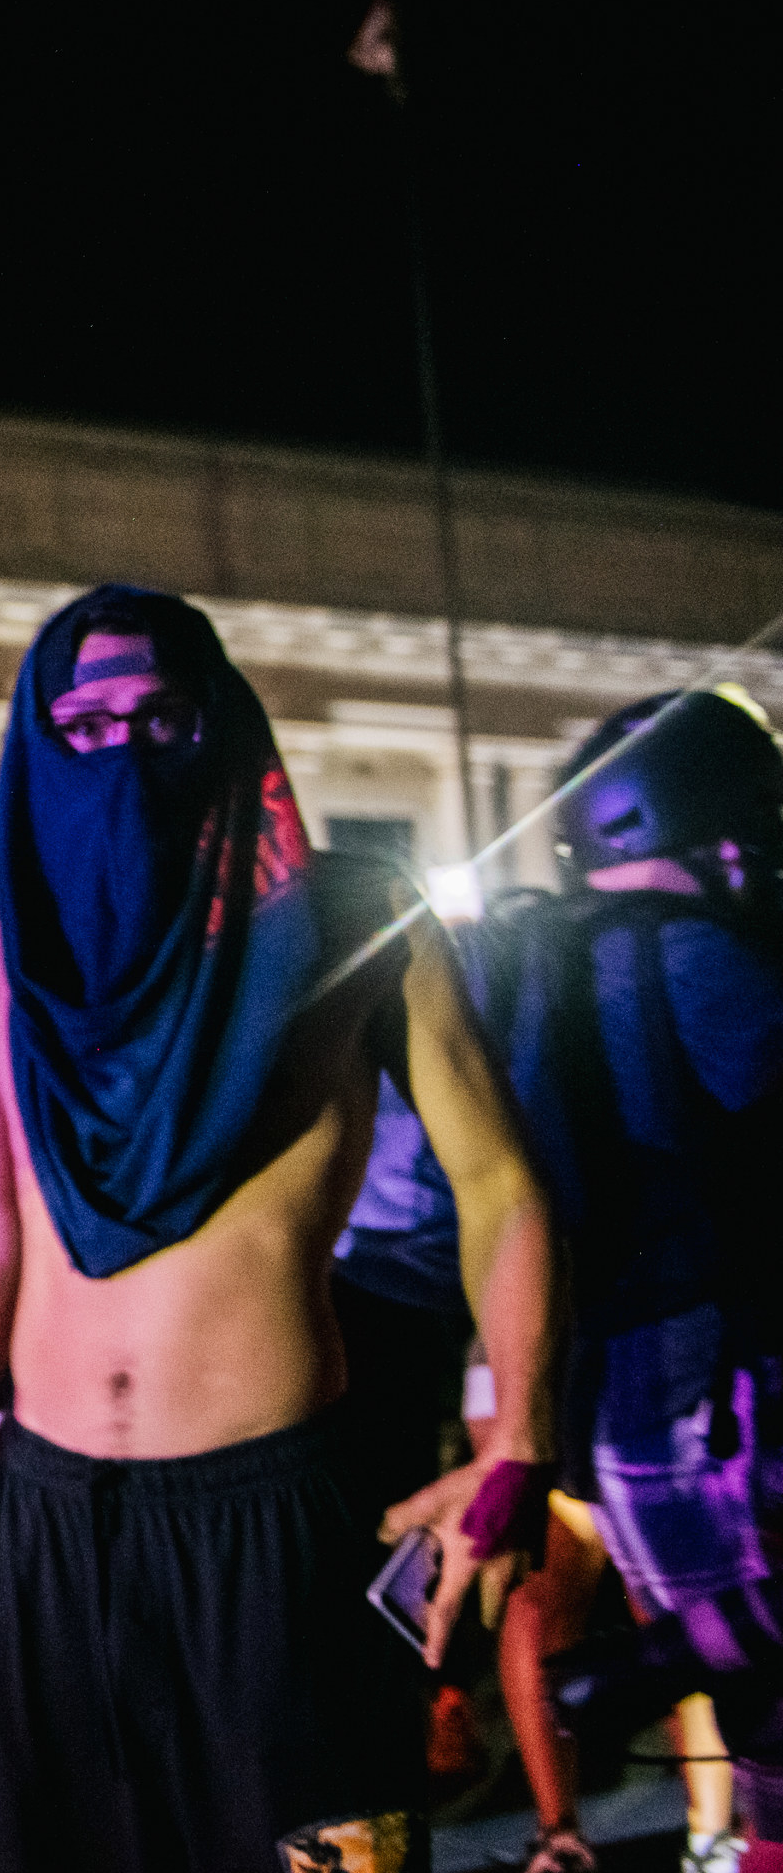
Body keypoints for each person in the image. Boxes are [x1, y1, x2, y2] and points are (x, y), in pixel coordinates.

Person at [0, 585, 559, 1870]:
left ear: (222, 726)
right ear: (38, 744)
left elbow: (500, 1180)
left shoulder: (349, 916)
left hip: (272, 1514)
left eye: (163, 716)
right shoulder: (2, 947)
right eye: (85, 723)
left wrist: (521, 1438)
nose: (125, 750)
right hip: (53, 1514)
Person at [475, 689, 783, 1866]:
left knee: (757, 1734)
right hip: (733, 1389)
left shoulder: (519, 963)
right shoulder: (708, 957)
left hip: (614, 1402)